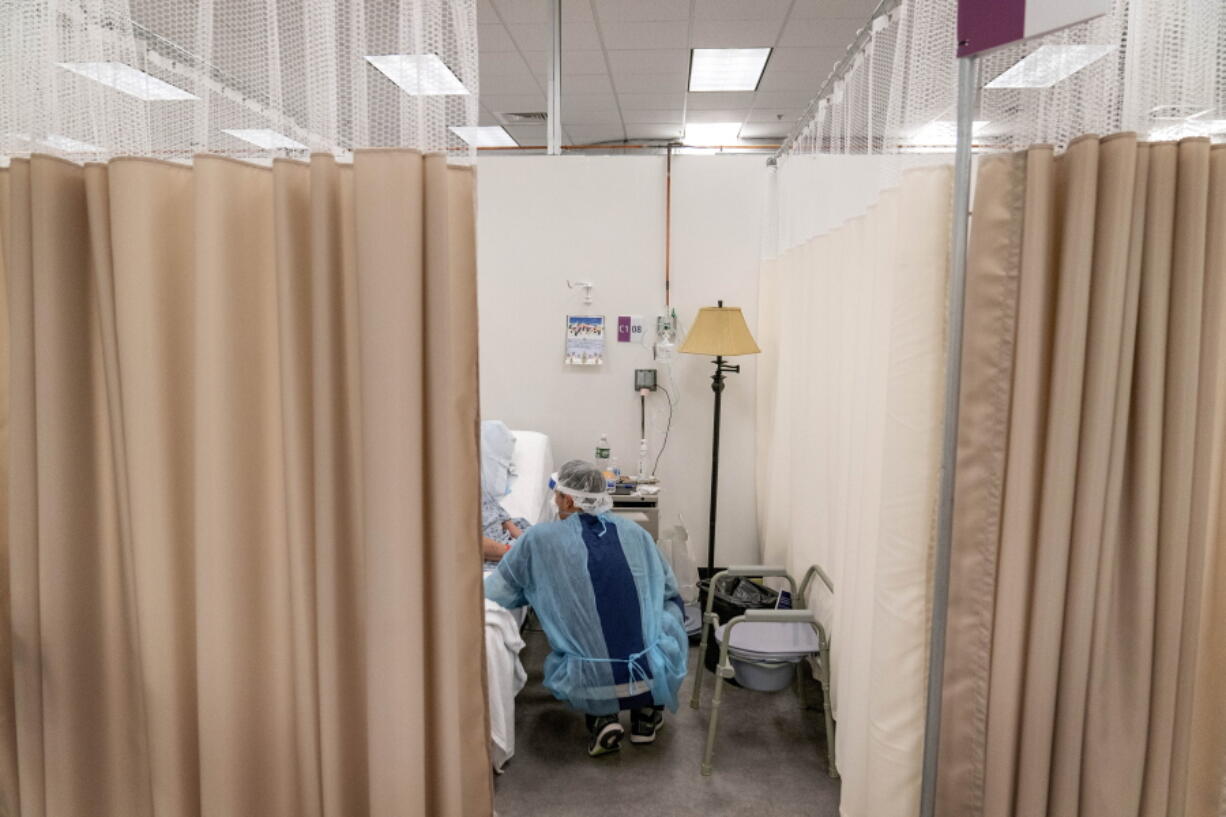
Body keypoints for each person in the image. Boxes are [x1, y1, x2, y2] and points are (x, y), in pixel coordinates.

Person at [485, 459, 688, 757]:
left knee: (588, 638)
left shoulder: (539, 540)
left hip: (585, 679)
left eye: (556, 496)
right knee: (668, 611)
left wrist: (542, 589)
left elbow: (499, 593)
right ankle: (646, 713)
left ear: (568, 499)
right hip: (651, 669)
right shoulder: (637, 534)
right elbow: (669, 589)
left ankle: (602, 719)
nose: (555, 502)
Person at [482, 489, 529, 562]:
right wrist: (521, 552)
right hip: (501, 552)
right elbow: (476, 544)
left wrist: (528, 544)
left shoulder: (480, 492)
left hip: (511, 544)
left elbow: (507, 522)